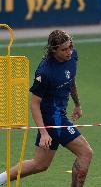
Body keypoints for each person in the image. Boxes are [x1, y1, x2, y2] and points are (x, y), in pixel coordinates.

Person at [0, 30, 93, 187]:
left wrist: (77, 104)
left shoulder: (72, 55)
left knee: (40, 164)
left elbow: (70, 79)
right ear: (53, 50)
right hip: (53, 119)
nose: (69, 51)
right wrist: (44, 132)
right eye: (64, 49)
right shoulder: (44, 72)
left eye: (70, 47)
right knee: (86, 152)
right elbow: (34, 104)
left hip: (59, 115)